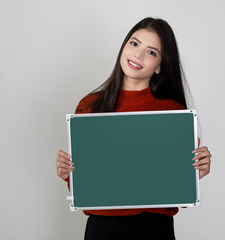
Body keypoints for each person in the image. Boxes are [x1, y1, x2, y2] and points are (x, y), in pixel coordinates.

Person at [56, 17, 211, 240]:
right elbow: (88, 190)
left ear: (160, 66)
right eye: (134, 43)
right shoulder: (89, 106)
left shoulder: (173, 112)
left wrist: (194, 175)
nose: (138, 54)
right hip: (102, 229)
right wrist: (67, 173)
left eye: (152, 52)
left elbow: (179, 195)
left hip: (154, 230)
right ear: (124, 47)